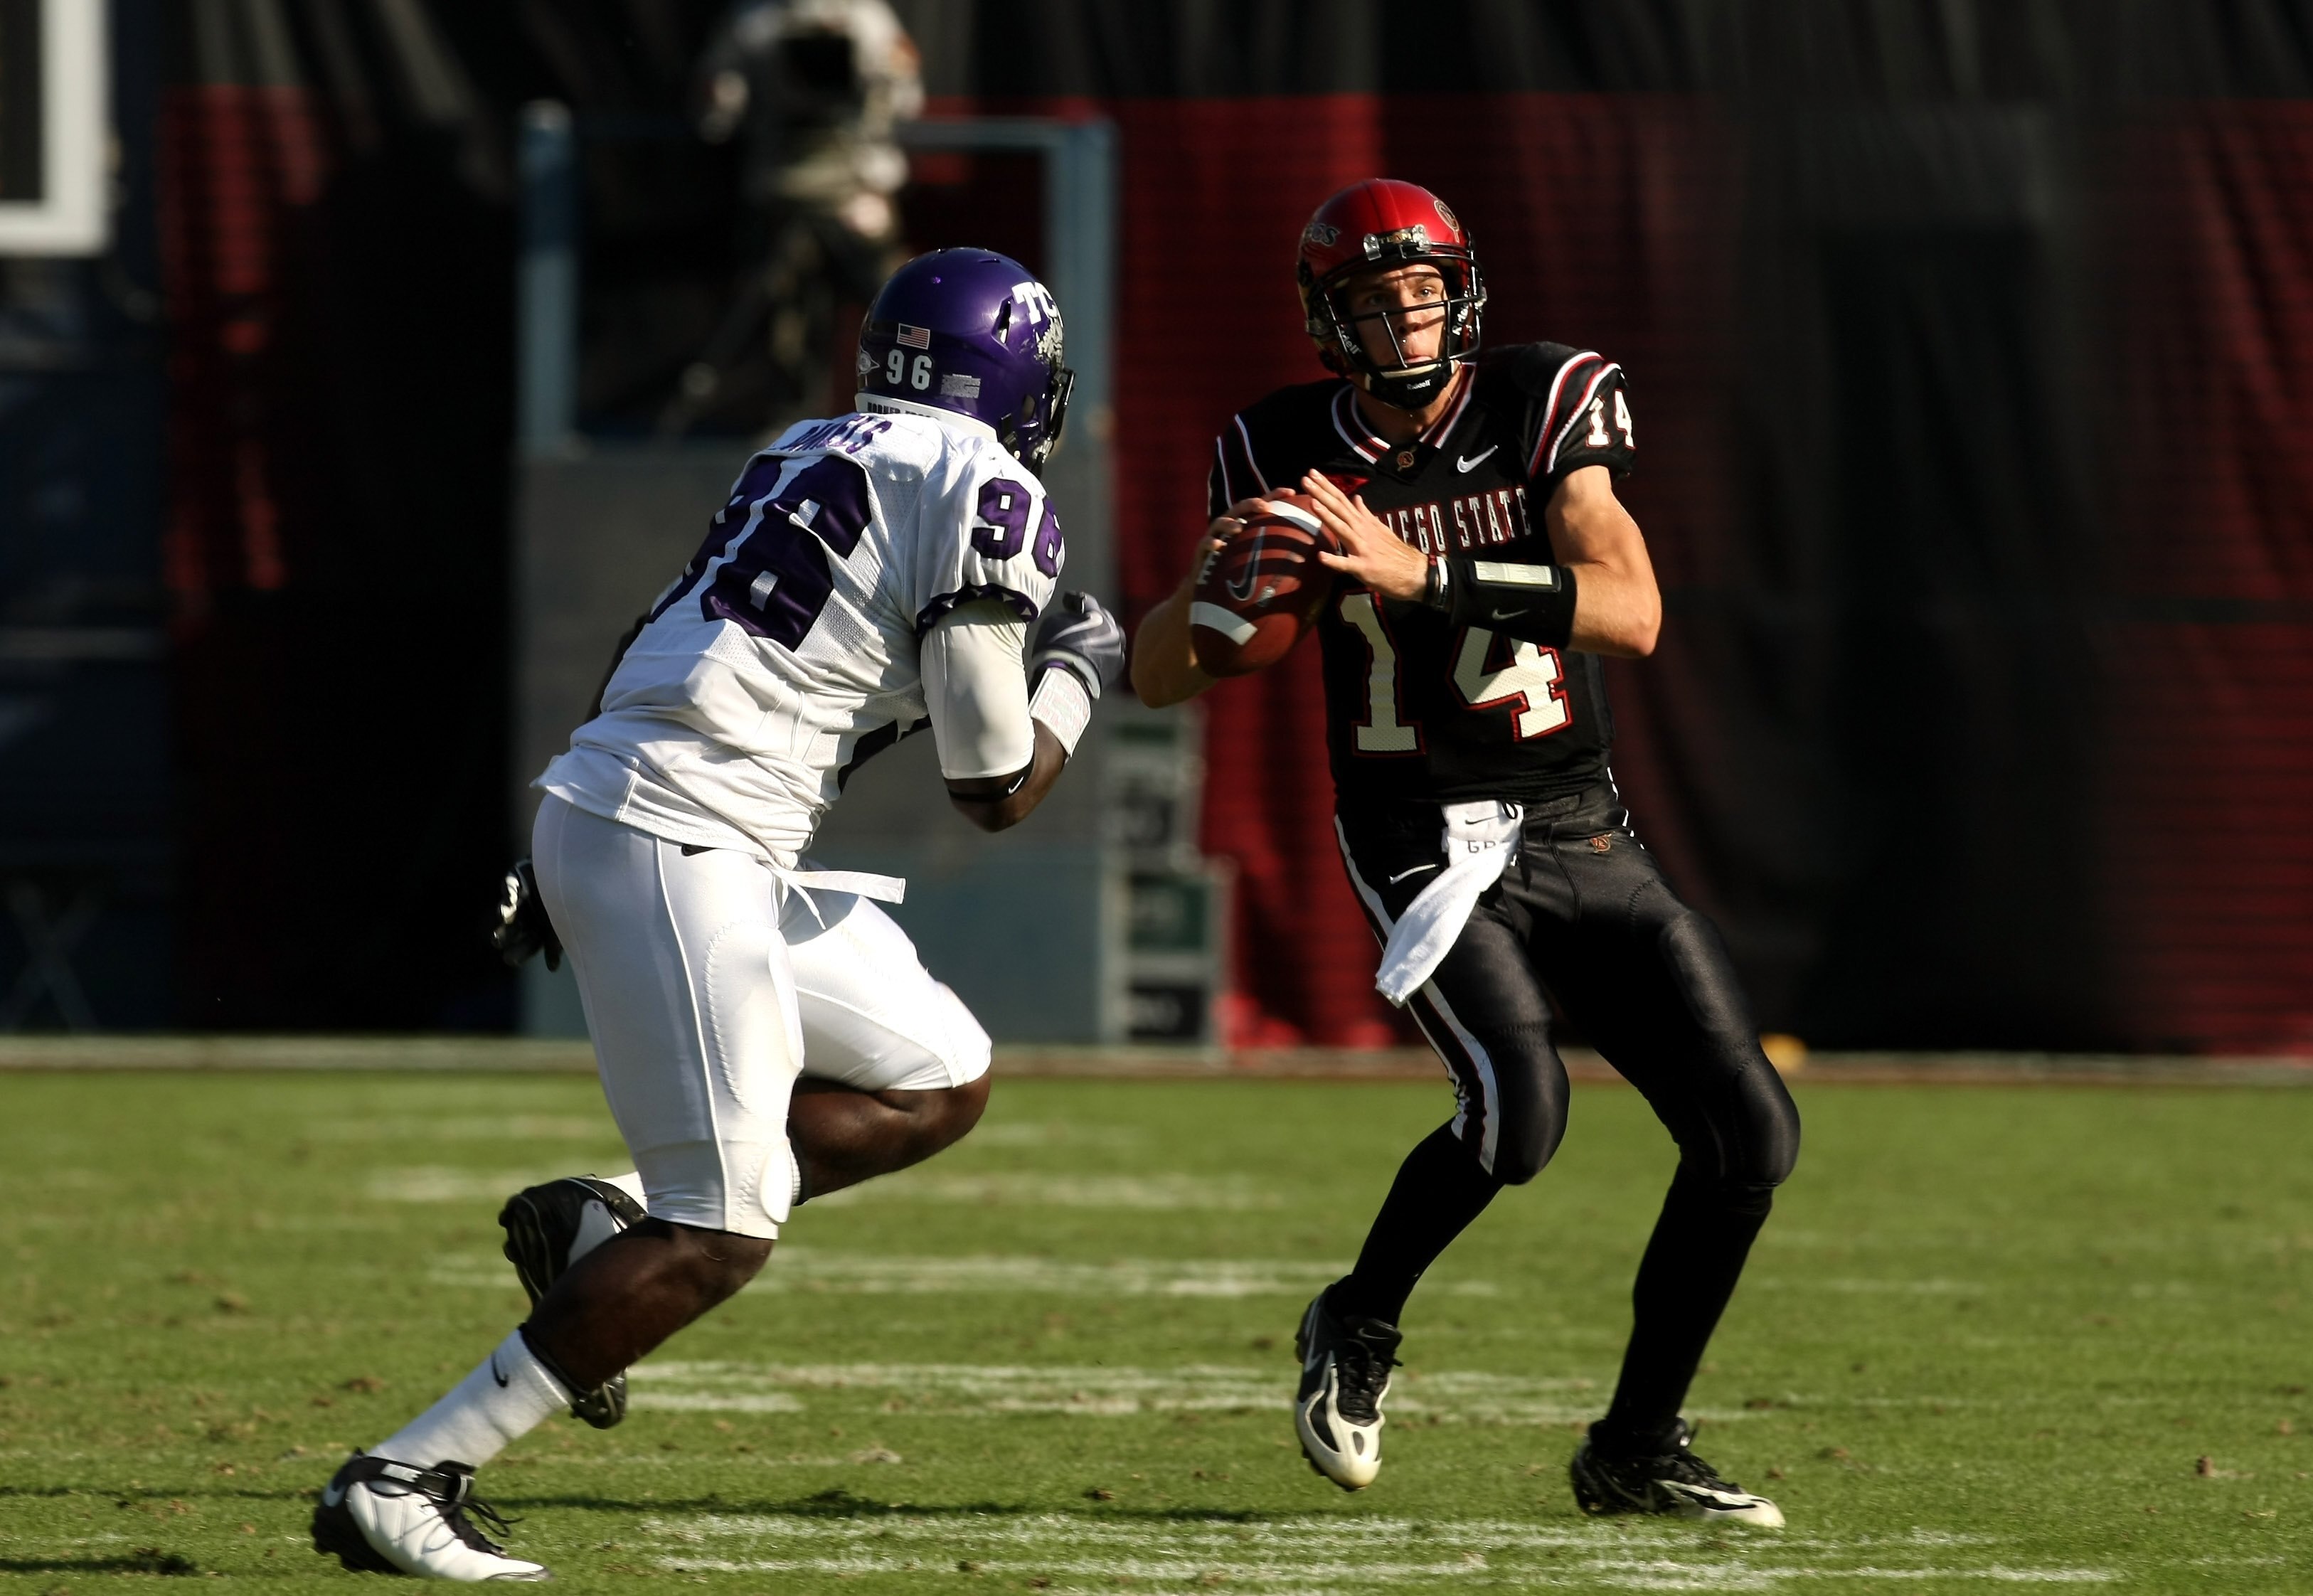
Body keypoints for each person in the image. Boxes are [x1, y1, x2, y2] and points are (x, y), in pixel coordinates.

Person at [312, 249, 1123, 1580]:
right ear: (1018, 377)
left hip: (647, 807)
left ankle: (601, 1215)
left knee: (939, 1074)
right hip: (681, 835)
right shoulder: (982, 482)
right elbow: (994, 786)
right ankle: (408, 1474)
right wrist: (1078, 680)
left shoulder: (808, 445)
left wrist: (561, 830)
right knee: (727, 1226)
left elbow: (682, 634)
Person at [1132, 180, 1801, 1525]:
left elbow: (1633, 610)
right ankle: (1356, 1321)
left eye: (1425, 290)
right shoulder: (1275, 446)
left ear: (1466, 292)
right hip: (1420, 836)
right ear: (1331, 321)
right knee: (1520, 1116)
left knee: (1750, 1138)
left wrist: (1417, 573)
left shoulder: (1544, 398)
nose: (1407, 319)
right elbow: (1164, 674)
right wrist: (1214, 591)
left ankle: (1634, 1447)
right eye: (1375, 301)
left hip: (1578, 817)